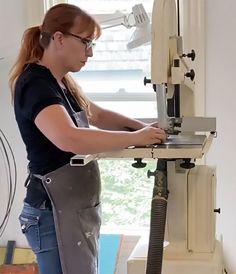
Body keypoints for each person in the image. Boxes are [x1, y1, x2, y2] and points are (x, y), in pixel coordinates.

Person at [9, 3, 166, 274]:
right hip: (52, 210)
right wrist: (136, 138)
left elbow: (96, 114)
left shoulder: (61, 81)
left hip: (74, 207)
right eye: (86, 42)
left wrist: (143, 129)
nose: (90, 52)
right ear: (58, 38)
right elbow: (69, 139)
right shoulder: (34, 84)